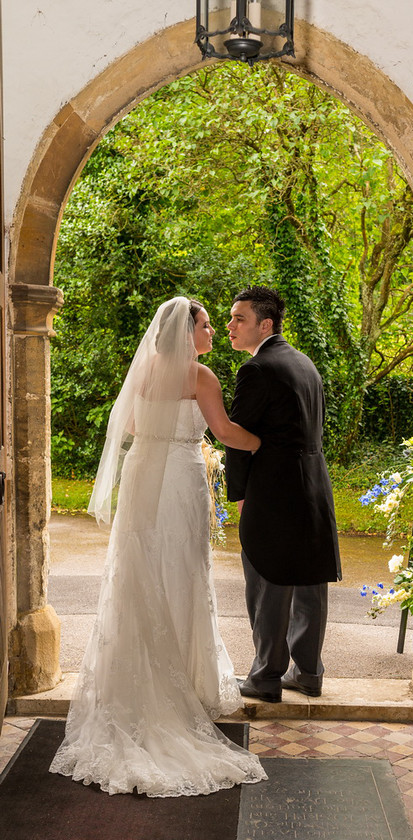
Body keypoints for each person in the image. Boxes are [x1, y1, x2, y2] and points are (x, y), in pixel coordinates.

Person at [50, 296, 267, 797]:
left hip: (144, 470)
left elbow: (126, 424)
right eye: (207, 326)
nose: (213, 333)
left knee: (137, 567)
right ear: (186, 333)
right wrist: (267, 445)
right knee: (181, 569)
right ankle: (181, 684)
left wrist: (161, 434)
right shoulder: (200, 376)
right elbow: (227, 431)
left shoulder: (144, 368)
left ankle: (130, 682)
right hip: (178, 478)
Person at [225, 286, 342, 704]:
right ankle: (308, 673)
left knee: (269, 579)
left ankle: (266, 677)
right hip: (313, 484)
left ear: (265, 324)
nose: (230, 326)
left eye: (239, 318)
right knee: (309, 580)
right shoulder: (303, 362)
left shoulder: (257, 369)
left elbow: (239, 438)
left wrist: (238, 493)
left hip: (274, 488)